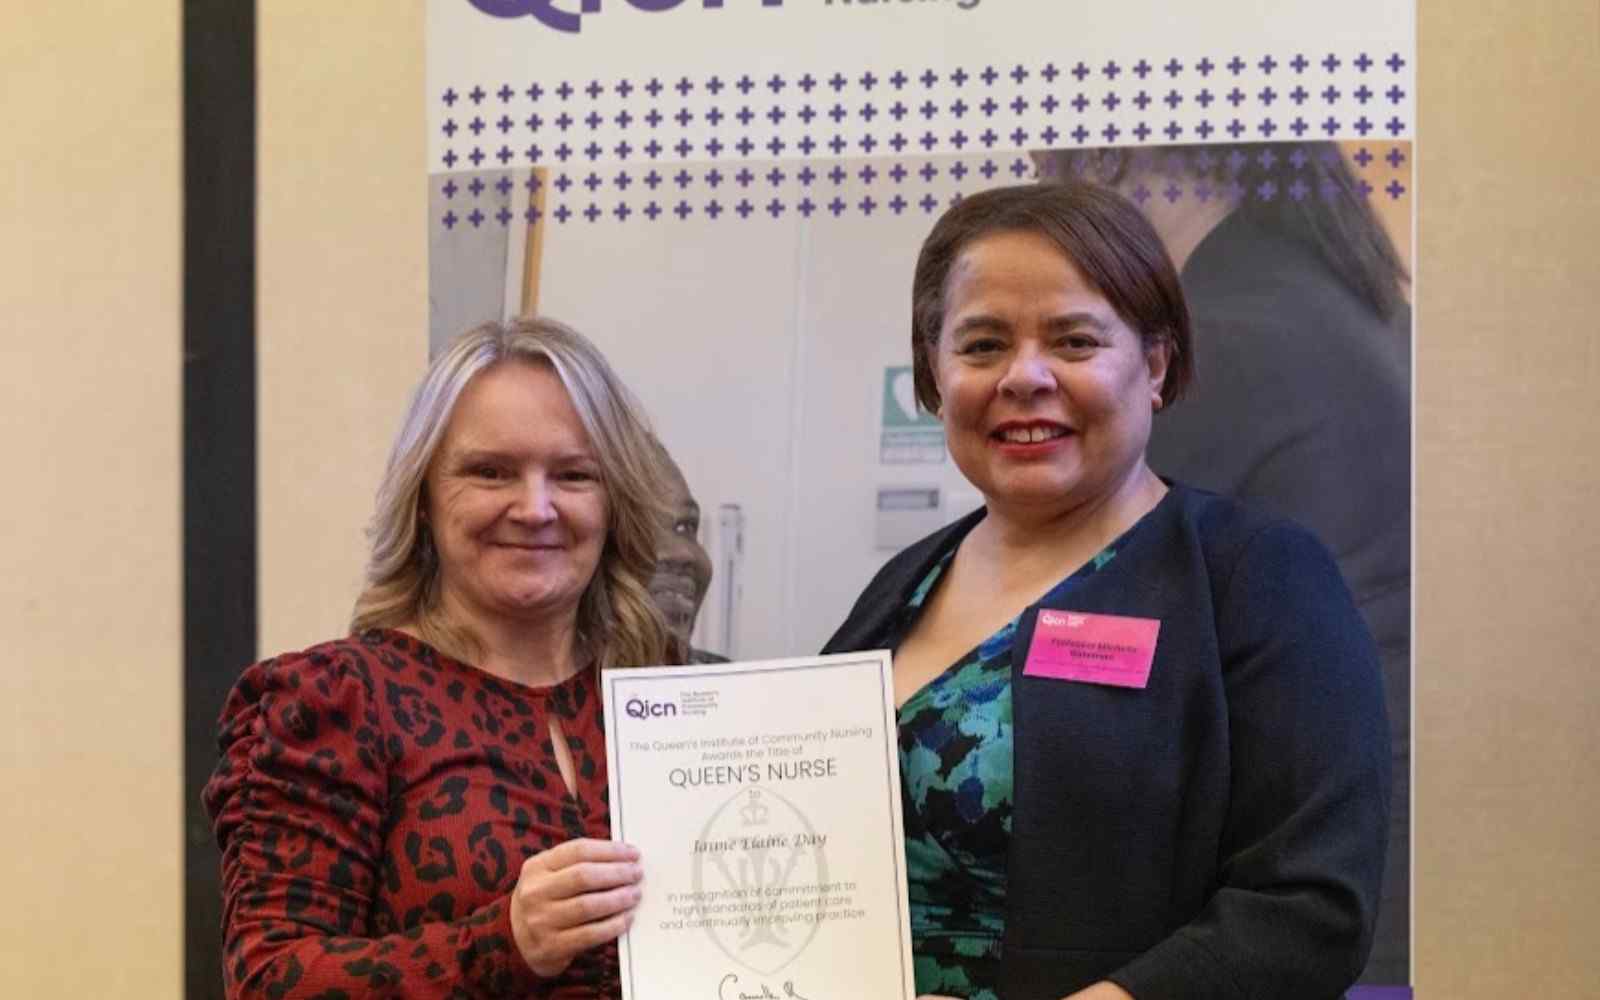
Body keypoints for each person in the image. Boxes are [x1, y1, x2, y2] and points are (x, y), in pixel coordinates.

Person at [823, 181, 1390, 1000]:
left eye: (1075, 342)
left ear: (1154, 365)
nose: (1024, 377)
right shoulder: (900, 587)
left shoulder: (1259, 578)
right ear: (934, 376)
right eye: (981, 345)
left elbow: (1309, 909)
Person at [204, 318, 679, 998]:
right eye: (491, 471)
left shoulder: (673, 700)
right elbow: (269, 980)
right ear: (424, 498)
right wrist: (502, 945)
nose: (535, 507)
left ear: (615, 503)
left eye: (574, 475)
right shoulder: (336, 703)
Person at [1038, 141, 1413, 985]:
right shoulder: (1354, 306)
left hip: (1279, 903)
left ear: (1118, 161)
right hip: (1379, 880)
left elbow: (1086, 643)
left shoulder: (1218, 343)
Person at [646, 436, 727, 663]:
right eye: (643, 526)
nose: (683, 553)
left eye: (685, 527)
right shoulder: (555, 695)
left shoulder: (734, 690)